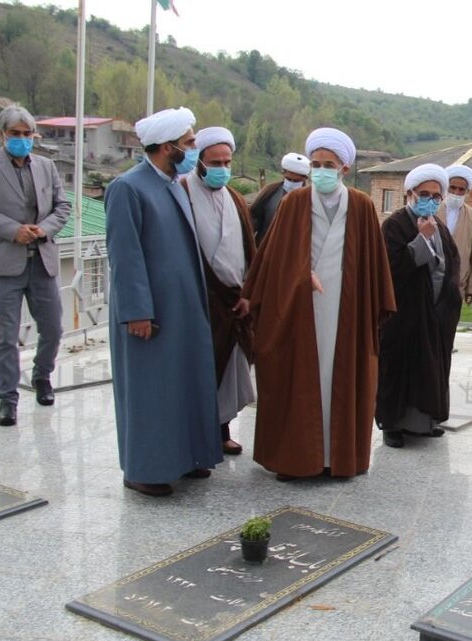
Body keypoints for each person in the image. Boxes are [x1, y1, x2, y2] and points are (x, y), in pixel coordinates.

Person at [242, 128, 395, 480]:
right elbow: (271, 260)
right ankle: (296, 458)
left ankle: (336, 458)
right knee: (297, 379)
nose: (321, 170)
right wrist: (298, 275)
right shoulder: (294, 204)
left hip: (346, 309)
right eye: (316, 164)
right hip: (300, 309)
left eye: (329, 164)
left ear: (344, 168)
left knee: (340, 378)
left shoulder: (361, 205)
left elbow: (374, 267)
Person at [105, 107, 223, 497]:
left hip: (182, 309)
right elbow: (125, 255)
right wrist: (137, 311)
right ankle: (144, 469)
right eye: (189, 143)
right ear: (168, 146)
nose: (193, 149)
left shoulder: (174, 183)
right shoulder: (128, 187)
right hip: (149, 312)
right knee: (149, 392)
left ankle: (185, 458)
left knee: (182, 385)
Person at [0, 105, 70, 427]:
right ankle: (7, 399)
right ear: (3, 135)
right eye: (16, 134)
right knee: (4, 336)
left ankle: (42, 375)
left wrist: (46, 229)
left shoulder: (46, 165)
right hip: (3, 261)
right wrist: (14, 230)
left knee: (53, 328)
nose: (22, 140)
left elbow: (62, 205)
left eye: (28, 134)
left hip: (42, 259)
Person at [181, 126, 256, 456]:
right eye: (214, 162)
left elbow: (248, 249)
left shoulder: (236, 198)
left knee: (228, 371)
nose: (222, 168)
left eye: (227, 161)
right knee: (199, 370)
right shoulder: (181, 192)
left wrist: (247, 293)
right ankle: (196, 436)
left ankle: (222, 429)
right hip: (200, 298)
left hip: (232, 300)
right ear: (199, 161)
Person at [376, 164, 463, 448]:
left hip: (435, 314)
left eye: (436, 196)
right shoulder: (395, 225)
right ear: (410, 193)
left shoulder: (439, 226)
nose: (430, 200)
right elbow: (392, 268)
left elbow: (450, 263)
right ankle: (392, 425)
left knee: (429, 370)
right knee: (399, 370)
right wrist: (421, 239)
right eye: (424, 194)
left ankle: (425, 422)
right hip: (404, 316)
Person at [438, 164, 472, 305]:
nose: (456, 192)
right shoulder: (433, 210)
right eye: (453, 188)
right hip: (432, 279)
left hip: (458, 283)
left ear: (467, 191)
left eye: (461, 189)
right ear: (446, 187)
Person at [250, 152, 310, 244]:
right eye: (289, 179)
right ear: (283, 173)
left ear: (305, 178)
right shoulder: (270, 192)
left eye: (296, 181)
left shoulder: (311, 198)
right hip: (267, 248)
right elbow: (254, 219)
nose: (291, 183)